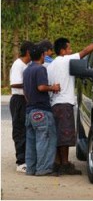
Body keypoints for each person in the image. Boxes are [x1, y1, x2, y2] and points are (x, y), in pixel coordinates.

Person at [47, 28, 93, 175]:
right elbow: (85, 51)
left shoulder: (51, 65)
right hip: (64, 103)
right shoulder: (66, 60)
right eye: (69, 48)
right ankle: (65, 164)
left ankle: (57, 163)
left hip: (54, 103)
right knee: (66, 135)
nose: (71, 50)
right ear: (62, 51)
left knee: (58, 134)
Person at [23, 44, 61, 176]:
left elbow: (25, 91)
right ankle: (43, 169)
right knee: (45, 139)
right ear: (42, 55)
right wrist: (53, 87)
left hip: (29, 110)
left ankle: (31, 168)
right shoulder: (40, 69)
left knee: (31, 141)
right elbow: (41, 87)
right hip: (41, 110)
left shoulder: (27, 70)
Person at [9, 41, 34, 173]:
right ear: (28, 52)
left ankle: (27, 158)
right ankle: (20, 162)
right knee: (19, 130)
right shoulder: (18, 65)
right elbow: (14, 84)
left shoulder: (29, 64)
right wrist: (30, 85)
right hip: (18, 100)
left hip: (26, 100)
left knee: (27, 130)